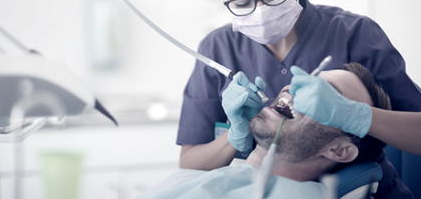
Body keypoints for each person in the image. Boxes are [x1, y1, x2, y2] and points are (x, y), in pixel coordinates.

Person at [177, 0, 421, 198]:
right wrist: (234, 136)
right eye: (242, 3)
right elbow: (190, 163)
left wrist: (357, 116)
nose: (262, 10)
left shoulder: (354, 33)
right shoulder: (217, 49)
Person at [141, 63, 388, 199]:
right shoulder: (201, 176)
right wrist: (236, 134)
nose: (295, 88)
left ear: (339, 150)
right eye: (308, 80)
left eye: (325, 95)